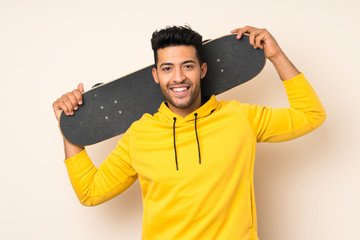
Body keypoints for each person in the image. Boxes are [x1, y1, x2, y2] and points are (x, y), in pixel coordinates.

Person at [53, 25, 326, 240]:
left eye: (188, 65)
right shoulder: (140, 135)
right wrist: (70, 130)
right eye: (167, 68)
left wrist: (276, 55)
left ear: (202, 70)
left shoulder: (241, 118)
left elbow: (310, 115)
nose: (179, 77)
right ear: (156, 75)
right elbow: (90, 192)